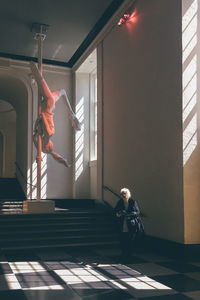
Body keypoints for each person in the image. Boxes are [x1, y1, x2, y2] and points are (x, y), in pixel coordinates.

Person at [30, 62, 81, 167]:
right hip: (48, 104)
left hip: (49, 106)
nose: (43, 146)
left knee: (62, 92)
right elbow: (42, 119)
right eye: (44, 146)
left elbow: (55, 156)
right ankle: (72, 114)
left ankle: (72, 113)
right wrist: (36, 131)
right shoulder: (48, 134)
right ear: (46, 144)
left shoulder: (44, 140)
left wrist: (65, 162)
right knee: (42, 82)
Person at [114, 187, 144, 262]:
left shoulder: (132, 201)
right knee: (123, 239)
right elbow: (115, 211)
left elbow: (137, 212)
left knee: (130, 239)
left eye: (124, 194)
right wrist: (119, 213)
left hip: (131, 224)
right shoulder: (120, 202)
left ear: (128, 194)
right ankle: (124, 253)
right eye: (122, 194)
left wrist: (132, 214)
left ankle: (128, 255)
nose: (123, 195)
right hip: (122, 223)